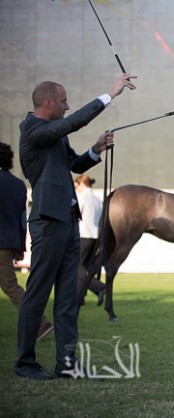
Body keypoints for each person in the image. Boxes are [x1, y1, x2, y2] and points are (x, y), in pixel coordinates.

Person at [14, 73, 137, 380]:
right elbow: (73, 122)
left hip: (69, 222)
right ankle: (25, 363)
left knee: (68, 299)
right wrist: (110, 94)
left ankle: (66, 364)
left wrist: (96, 149)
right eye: (64, 101)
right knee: (37, 294)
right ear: (48, 103)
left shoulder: (54, 134)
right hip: (48, 222)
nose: (67, 106)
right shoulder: (33, 129)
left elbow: (75, 165)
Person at [0, 142, 53, 341]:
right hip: (9, 242)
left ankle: (40, 322)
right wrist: (20, 246)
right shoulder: (18, 184)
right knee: (10, 285)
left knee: (10, 286)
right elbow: (22, 218)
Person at [74, 174, 106, 306]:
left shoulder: (81, 198)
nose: (75, 188)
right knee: (85, 267)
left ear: (82, 183)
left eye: (76, 185)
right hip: (95, 236)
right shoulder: (98, 201)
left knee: (77, 267)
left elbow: (75, 217)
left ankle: (100, 287)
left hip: (83, 235)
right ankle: (80, 297)